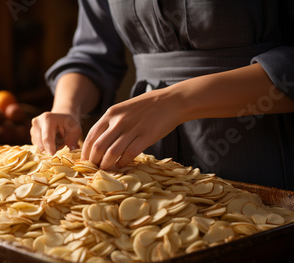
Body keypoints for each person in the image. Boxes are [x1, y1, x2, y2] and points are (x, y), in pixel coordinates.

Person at [30, 0, 294, 190]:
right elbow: (92, 55)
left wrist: (177, 101)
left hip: (266, 149)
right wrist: (67, 109)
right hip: (144, 163)